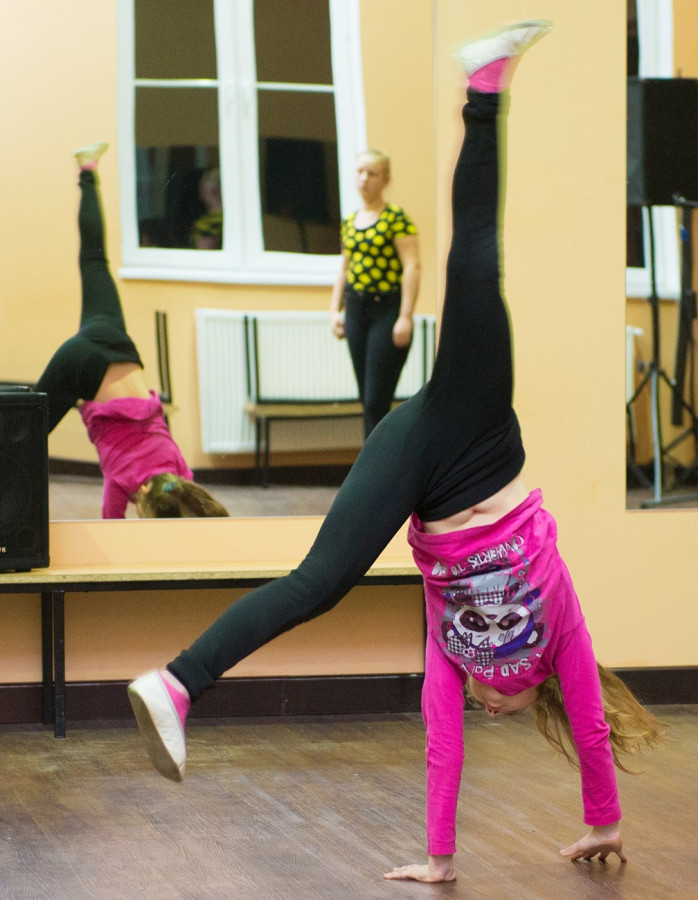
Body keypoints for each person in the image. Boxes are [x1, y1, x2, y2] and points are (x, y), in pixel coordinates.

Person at [128, 20, 665, 882]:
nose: (489, 712)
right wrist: (603, 818)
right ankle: (485, 91)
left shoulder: (454, 653)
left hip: (418, 465)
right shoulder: (560, 628)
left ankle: (176, 684)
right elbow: (593, 724)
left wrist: (440, 860)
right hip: (476, 429)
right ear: (536, 692)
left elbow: (441, 738)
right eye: (505, 710)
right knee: (477, 264)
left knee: (319, 583)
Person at [35, 143, 229, 520]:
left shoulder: (178, 470)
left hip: (115, 340)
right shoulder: (123, 481)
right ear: (142, 497)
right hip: (82, 367)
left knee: (94, 258)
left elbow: (192, 498)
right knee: (22, 432)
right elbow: (111, 524)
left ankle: (88, 169)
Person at [329, 148, 420, 437]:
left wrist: (405, 316)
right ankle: (373, 459)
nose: (364, 179)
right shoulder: (350, 222)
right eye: (360, 172)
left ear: (385, 179)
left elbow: (412, 267)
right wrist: (334, 311)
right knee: (366, 399)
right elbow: (344, 268)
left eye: (372, 173)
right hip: (356, 309)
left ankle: (378, 460)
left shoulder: (396, 219)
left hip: (387, 310)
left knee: (376, 400)